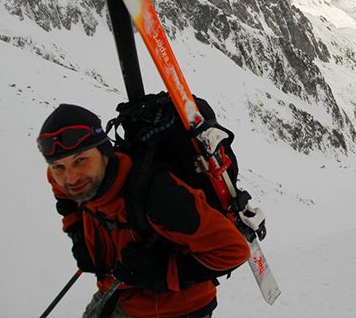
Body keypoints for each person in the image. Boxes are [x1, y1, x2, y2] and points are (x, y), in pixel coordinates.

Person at [38, 103, 251, 317]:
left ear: (105, 152)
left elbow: (234, 250)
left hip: (178, 308)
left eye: (81, 160)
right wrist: (77, 234)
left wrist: (160, 272)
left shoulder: (157, 195)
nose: (71, 178)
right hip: (117, 296)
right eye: (58, 167)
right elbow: (61, 191)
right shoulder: (70, 180)